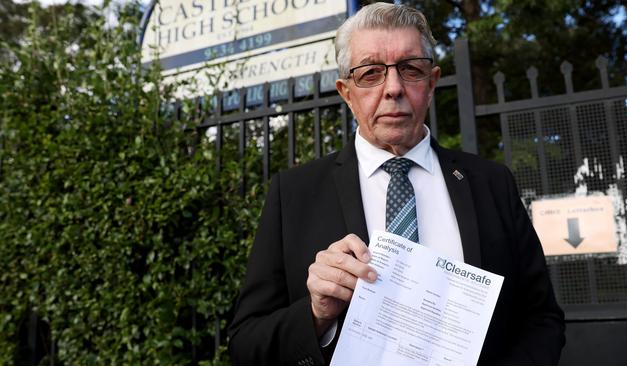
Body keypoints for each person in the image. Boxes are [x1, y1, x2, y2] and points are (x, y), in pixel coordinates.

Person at [228, 3, 565, 366]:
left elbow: (541, 318)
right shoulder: (294, 195)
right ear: (346, 92)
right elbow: (246, 343)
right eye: (371, 73)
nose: (393, 88)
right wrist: (316, 314)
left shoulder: (491, 183)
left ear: (432, 82)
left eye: (410, 69)